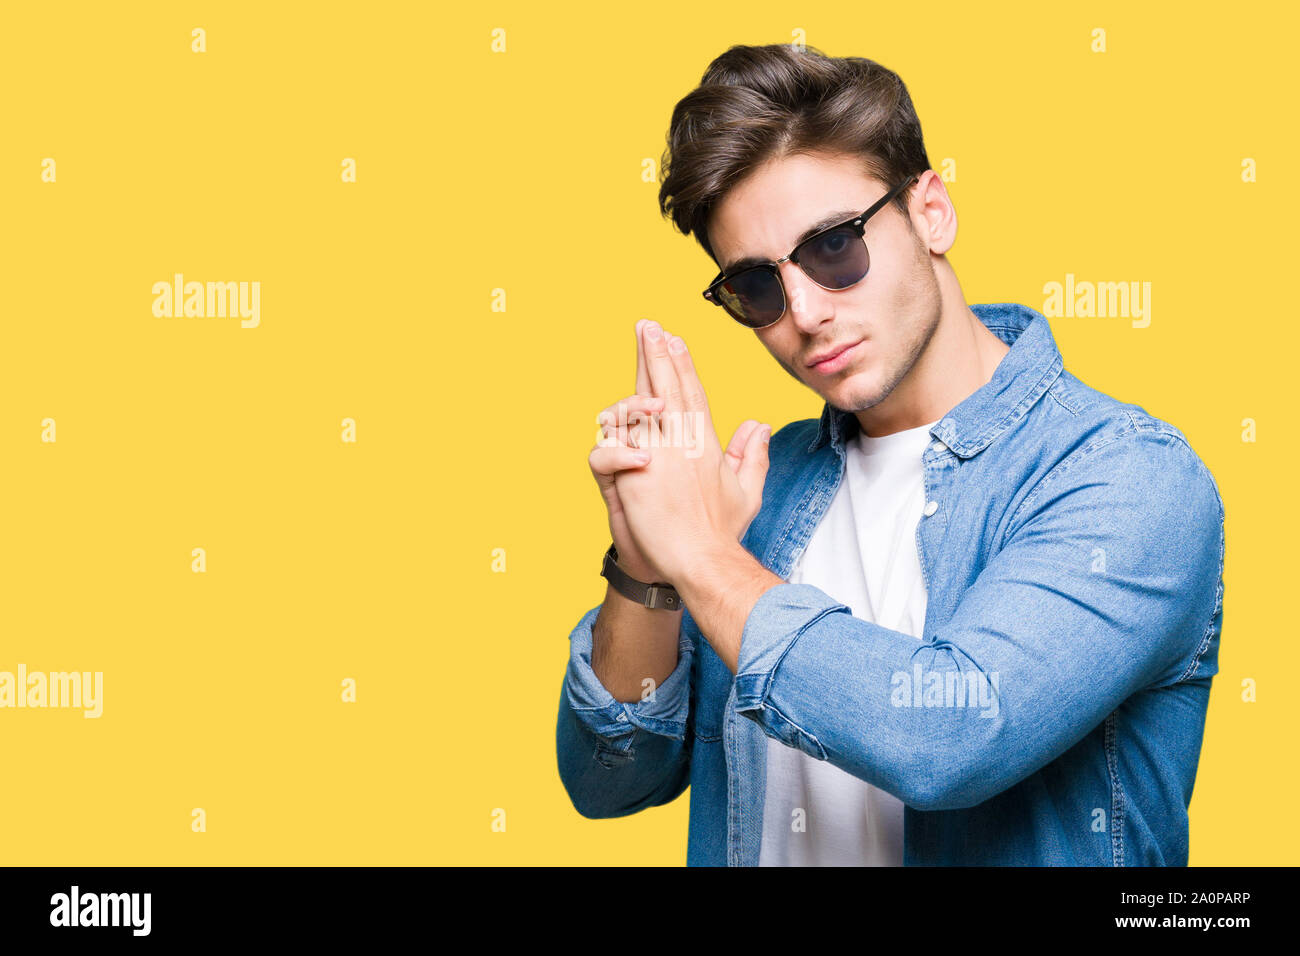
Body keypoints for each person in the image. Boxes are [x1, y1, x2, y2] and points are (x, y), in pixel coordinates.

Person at [555, 42, 1225, 866]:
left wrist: (697, 554)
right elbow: (608, 781)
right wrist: (646, 562)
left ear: (931, 211)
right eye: (756, 287)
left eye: (834, 246)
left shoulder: (1124, 476)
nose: (803, 312)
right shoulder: (761, 485)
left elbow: (949, 737)